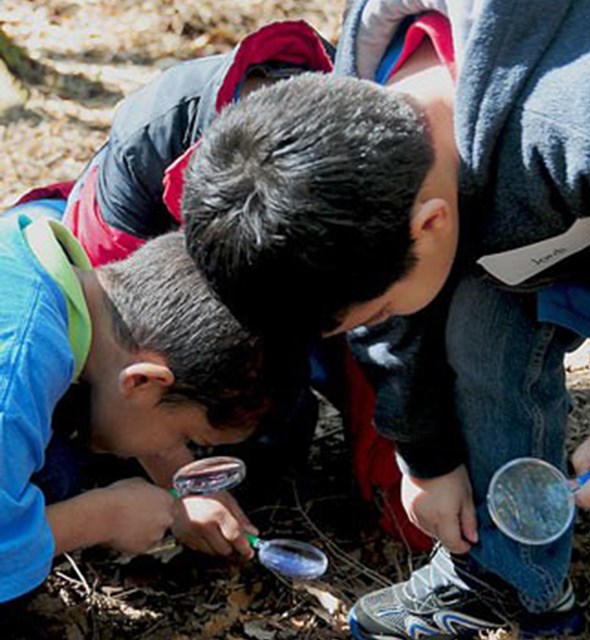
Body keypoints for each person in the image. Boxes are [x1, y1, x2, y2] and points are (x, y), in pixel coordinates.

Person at [178, 0, 590, 637]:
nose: (379, 319)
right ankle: (506, 578)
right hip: (561, 210)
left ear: (430, 224)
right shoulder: (359, 125)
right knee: (479, 326)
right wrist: (426, 458)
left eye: (382, 305)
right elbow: (383, 314)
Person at [18, 19, 431, 554]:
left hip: (158, 369)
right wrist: (129, 502)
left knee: (273, 441)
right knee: (60, 474)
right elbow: (112, 326)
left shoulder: (364, 207)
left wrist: (418, 480)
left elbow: (394, 354)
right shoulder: (151, 145)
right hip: (132, 349)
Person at [0, 209, 267, 609]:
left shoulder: (44, 250)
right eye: (186, 438)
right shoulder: (16, 375)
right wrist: (99, 517)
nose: (181, 449)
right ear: (142, 381)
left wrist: (178, 483)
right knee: (60, 475)